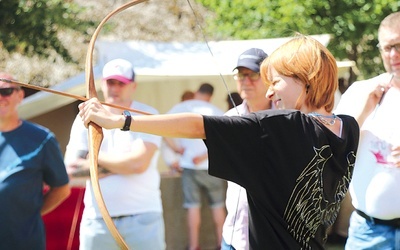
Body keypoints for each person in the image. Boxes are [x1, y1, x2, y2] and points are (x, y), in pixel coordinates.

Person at [78, 34, 360, 249]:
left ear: (304, 78)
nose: (272, 92)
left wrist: (121, 121)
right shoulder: (348, 127)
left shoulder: (282, 126)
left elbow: (196, 124)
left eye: (276, 81)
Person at [64, 59, 165, 249]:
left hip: (142, 217)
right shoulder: (84, 118)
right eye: (111, 82)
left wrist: (93, 157)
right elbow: (71, 168)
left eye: (121, 83)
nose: (115, 88)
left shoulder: (147, 115)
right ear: (102, 83)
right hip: (97, 219)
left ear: (133, 86)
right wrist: (124, 164)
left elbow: (138, 164)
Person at [334, 12, 400, 249]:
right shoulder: (361, 91)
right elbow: (332, 146)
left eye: (399, 45)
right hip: (369, 232)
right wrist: (362, 112)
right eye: (387, 47)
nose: (393, 55)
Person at [0, 72, 70, 249]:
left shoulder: (42, 139)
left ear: (20, 95)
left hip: (24, 242)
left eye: (6, 91)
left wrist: (30, 213)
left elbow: (61, 189)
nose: (1, 97)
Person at [166, 83, 226, 250]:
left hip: (188, 165)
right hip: (212, 166)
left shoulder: (181, 107)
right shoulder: (216, 111)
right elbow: (223, 142)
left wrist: (177, 149)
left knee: (192, 207)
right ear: (210, 96)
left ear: (196, 92)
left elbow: (163, 130)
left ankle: (193, 246)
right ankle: (221, 243)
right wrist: (204, 156)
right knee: (218, 205)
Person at [221, 48, 270, 250]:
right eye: (241, 74)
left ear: (268, 77)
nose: (245, 80)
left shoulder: (288, 117)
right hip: (234, 236)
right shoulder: (229, 118)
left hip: (272, 238)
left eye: (253, 74)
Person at [161, 90, 194, 174]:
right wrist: (176, 149)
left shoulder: (195, 115)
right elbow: (163, 132)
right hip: (176, 158)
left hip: (191, 162)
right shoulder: (175, 112)